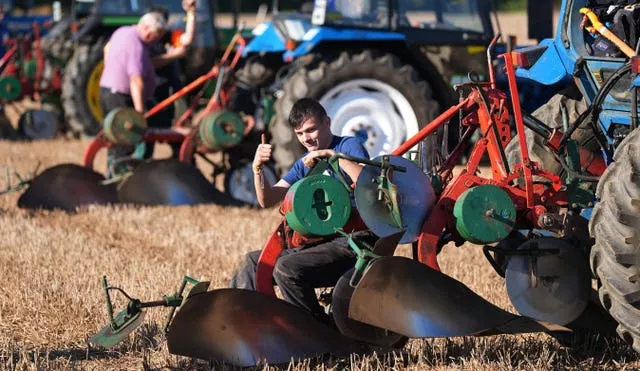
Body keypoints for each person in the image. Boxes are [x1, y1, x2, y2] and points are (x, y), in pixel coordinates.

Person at [229, 98, 374, 325]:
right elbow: (267, 198)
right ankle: (249, 324)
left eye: (311, 129)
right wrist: (257, 168)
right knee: (253, 263)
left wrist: (331, 157)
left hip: (353, 241)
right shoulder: (304, 164)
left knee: (286, 269)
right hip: (321, 242)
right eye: (300, 133)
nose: (306, 138)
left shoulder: (348, 146)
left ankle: (317, 331)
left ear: (327, 122)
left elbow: (367, 183)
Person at [99, 11, 168, 177]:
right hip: (119, 96)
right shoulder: (136, 45)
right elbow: (136, 80)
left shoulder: (122, 31)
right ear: (145, 28)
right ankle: (117, 178)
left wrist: (112, 69)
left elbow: (107, 48)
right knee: (126, 139)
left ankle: (112, 173)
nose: (156, 39)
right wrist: (139, 112)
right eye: (155, 35)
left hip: (106, 90)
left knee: (115, 138)